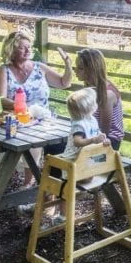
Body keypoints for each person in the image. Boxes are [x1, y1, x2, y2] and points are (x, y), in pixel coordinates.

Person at [0, 30, 72, 190]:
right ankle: (14, 184)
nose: (29, 51)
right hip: (16, 120)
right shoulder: (3, 71)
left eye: (29, 47)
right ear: (11, 50)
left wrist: (68, 65)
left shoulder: (39, 68)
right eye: (23, 48)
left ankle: (34, 185)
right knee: (21, 145)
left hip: (42, 120)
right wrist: (22, 107)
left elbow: (64, 83)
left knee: (54, 143)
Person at [47, 88, 109, 228]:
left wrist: (102, 139)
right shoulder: (78, 124)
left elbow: (96, 133)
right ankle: (63, 216)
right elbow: (77, 141)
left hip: (84, 162)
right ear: (88, 109)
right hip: (71, 161)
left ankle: (80, 183)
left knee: (71, 185)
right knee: (65, 190)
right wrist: (93, 140)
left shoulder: (92, 120)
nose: (96, 105)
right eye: (93, 103)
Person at [73, 48, 125, 151]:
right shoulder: (90, 87)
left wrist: (84, 139)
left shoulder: (107, 94)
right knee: (56, 147)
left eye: (81, 68)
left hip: (108, 142)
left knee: (59, 148)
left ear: (91, 70)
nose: (76, 70)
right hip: (91, 134)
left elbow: (103, 131)